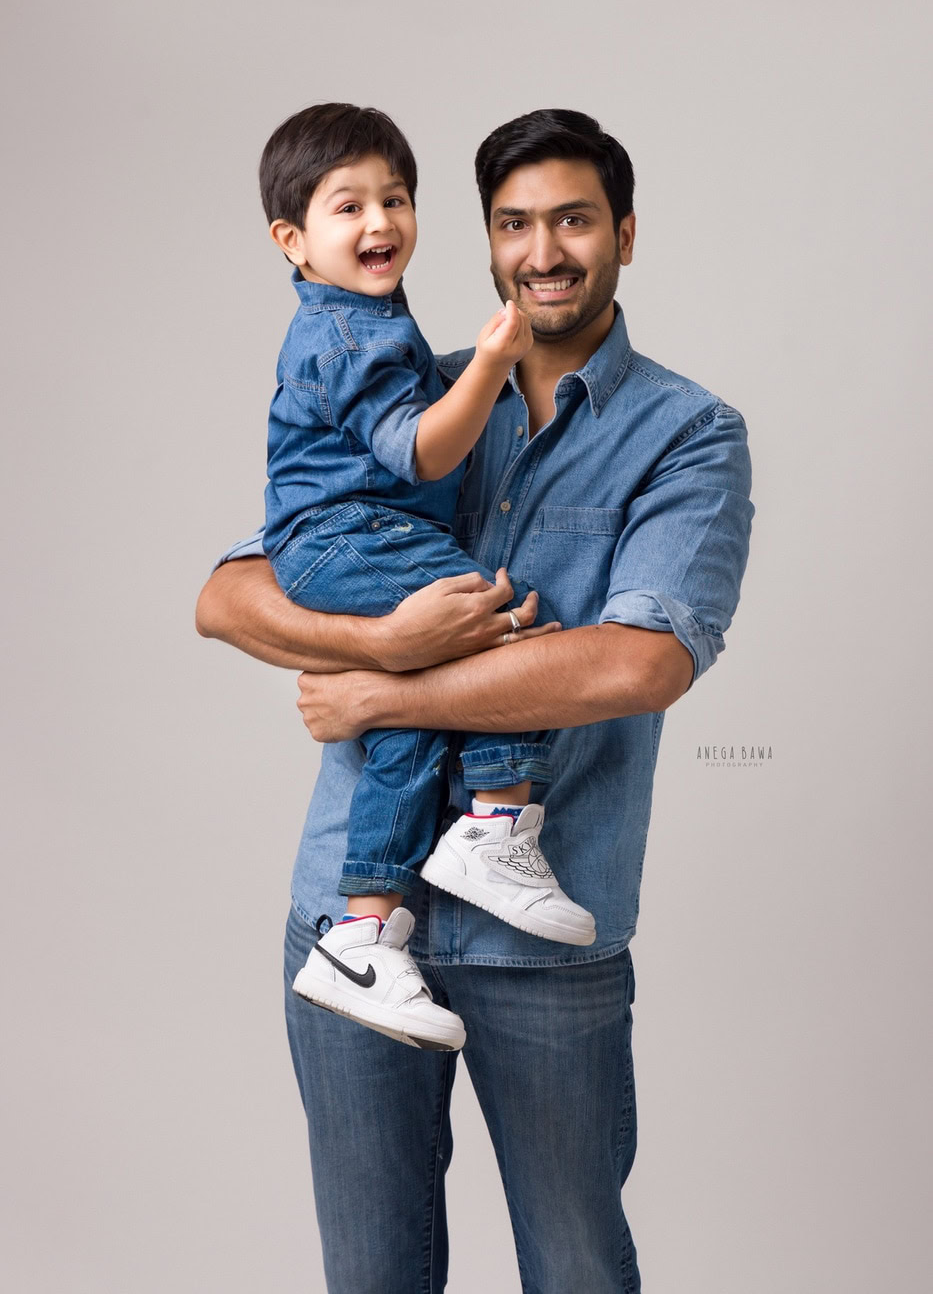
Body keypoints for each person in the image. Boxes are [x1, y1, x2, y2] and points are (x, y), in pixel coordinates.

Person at [196, 108, 754, 1293]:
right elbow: (231, 590)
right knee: (374, 1276)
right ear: (489, 242)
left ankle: (493, 834)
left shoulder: (690, 433)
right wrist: (380, 639)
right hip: (350, 923)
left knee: (577, 1270)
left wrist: (377, 692)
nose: (542, 250)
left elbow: (636, 662)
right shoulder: (425, 396)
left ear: (626, 235)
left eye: (572, 220)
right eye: (514, 224)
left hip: (543, 946)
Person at [258, 104, 596, 1054]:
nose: (379, 223)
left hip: (343, 531)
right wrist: (489, 363)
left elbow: (645, 664)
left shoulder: (367, 316)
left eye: (395, 199)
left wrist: (381, 674)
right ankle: (492, 818)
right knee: (501, 621)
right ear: (292, 239)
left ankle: (363, 930)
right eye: (347, 207)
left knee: (413, 697)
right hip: (341, 533)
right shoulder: (350, 335)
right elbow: (416, 452)